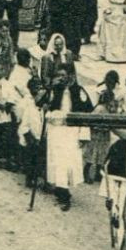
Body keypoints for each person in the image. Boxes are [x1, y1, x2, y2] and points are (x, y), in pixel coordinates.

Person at [39, 65, 92, 211]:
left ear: (71, 76)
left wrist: (84, 134)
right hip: (56, 131)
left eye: (64, 75)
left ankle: (64, 192)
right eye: (59, 75)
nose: (61, 78)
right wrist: (48, 94)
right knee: (56, 162)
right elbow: (41, 103)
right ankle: (61, 191)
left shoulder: (78, 91)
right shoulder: (54, 90)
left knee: (67, 163)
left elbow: (86, 114)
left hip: (71, 132)